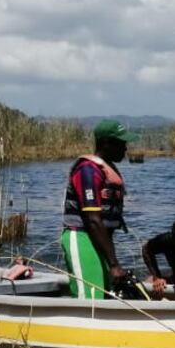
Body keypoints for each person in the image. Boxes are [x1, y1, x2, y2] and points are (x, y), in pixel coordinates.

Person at [61, 119, 138, 299]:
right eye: (121, 143)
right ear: (106, 143)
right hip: (81, 237)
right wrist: (114, 264)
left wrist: (112, 259)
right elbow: (93, 220)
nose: (125, 148)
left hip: (99, 240)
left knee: (104, 294)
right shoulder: (88, 170)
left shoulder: (106, 169)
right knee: (90, 298)